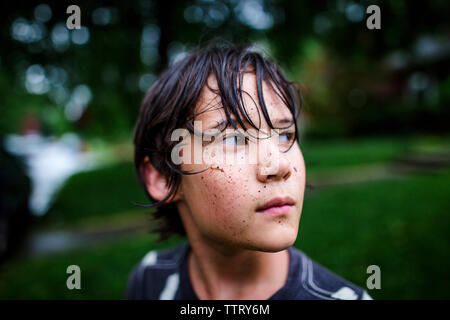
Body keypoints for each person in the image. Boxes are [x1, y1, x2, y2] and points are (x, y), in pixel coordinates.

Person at [125, 42, 372, 300]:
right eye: (234, 138)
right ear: (162, 178)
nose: (279, 165)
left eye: (286, 135)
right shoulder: (149, 281)